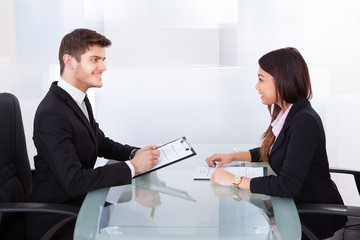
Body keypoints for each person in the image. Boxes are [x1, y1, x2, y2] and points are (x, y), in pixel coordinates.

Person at [25, 28, 160, 240]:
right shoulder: (52, 112)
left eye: (103, 60)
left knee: (144, 224)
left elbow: (100, 141)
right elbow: (74, 181)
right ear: (69, 61)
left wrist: (136, 153)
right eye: (94, 59)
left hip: (81, 204)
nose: (103, 67)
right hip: (58, 217)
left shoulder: (77, 99)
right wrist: (133, 166)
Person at [206, 47, 347, 239]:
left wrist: (234, 180)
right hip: (293, 209)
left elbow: (286, 185)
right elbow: (274, 150)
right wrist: (232, 156)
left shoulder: (304, 121)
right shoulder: (288, 113)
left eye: (261, 79)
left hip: (313, 218)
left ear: (282, 80)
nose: (257, 86)